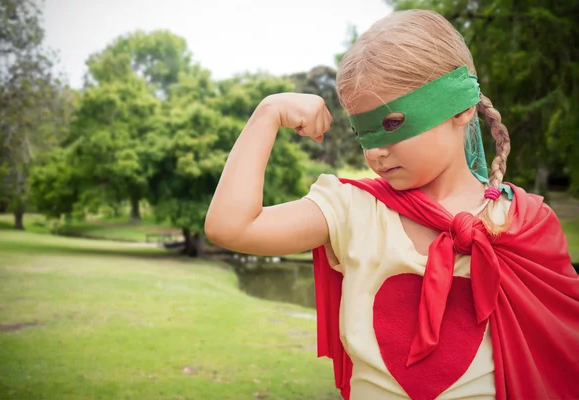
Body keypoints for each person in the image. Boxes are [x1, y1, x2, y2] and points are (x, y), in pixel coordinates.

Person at [205, 9, 579, 400]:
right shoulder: (352, 208)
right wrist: (268, 113)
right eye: (361, 131)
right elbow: (230, 226)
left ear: (461, 107)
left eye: (392, 123)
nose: (376, 150)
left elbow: (562, 357)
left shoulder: (526, 221)